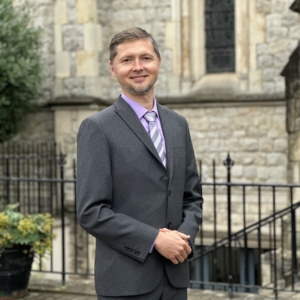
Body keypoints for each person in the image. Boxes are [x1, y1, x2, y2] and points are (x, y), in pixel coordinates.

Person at [76, 27, 203, 300]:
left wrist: (182, 240)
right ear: (113, 68)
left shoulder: (178, 124)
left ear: (158, 62)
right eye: (126, 60)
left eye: (145, 58)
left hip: (175, 280)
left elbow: (192, 198)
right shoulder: (97, 128)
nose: (138, 67)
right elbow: (91, 212)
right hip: (126, 284)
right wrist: (155, 239)